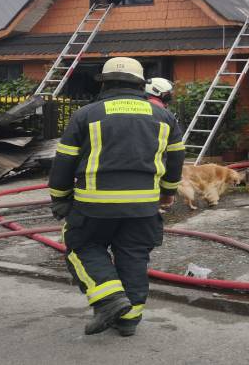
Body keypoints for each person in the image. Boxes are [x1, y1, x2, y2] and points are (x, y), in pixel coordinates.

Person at [48, 57, 185, 336]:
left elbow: (63, 162)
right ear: (139, 84)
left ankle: (109, 300)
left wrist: (60, 197)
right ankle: (129, 320)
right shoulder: (163, 116)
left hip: (94, 206)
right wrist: (168, 193)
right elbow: (176, 159)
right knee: (133, 255)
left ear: (104, 83)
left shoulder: (86, 114)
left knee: (81, 246)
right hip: (144, 206)